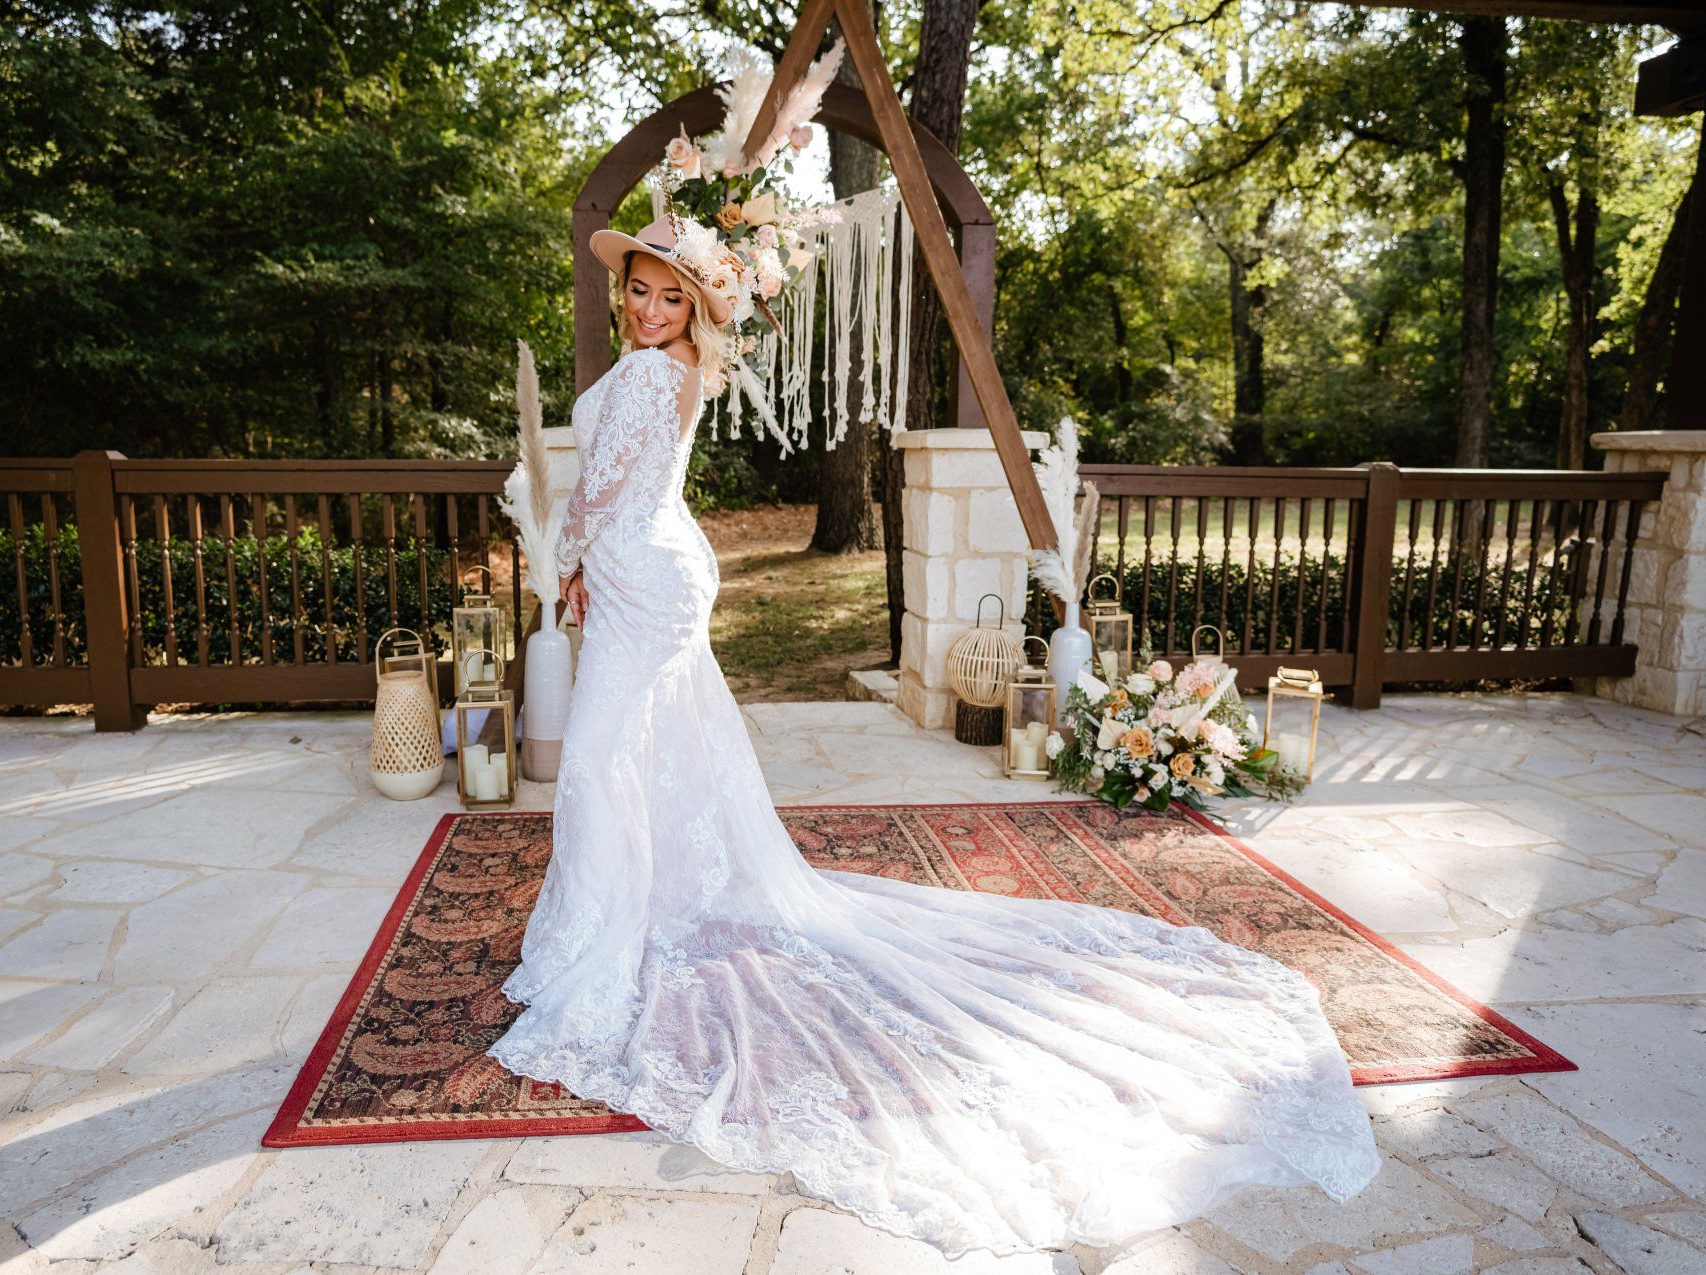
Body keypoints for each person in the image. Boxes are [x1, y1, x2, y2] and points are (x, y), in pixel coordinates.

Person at [484, 213, 1381, 1258]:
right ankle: (630, 914)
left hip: (644, 574)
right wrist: (594, 554)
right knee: (651, 757)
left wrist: (566, 558)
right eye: (639, 290)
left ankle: (598, 951)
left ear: (695, 308)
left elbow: (598, 490)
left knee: (596, 765)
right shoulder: (676, 368)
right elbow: (633, 482)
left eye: (670, 297)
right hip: (661, 569)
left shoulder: (648, 376)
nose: (648, 308)